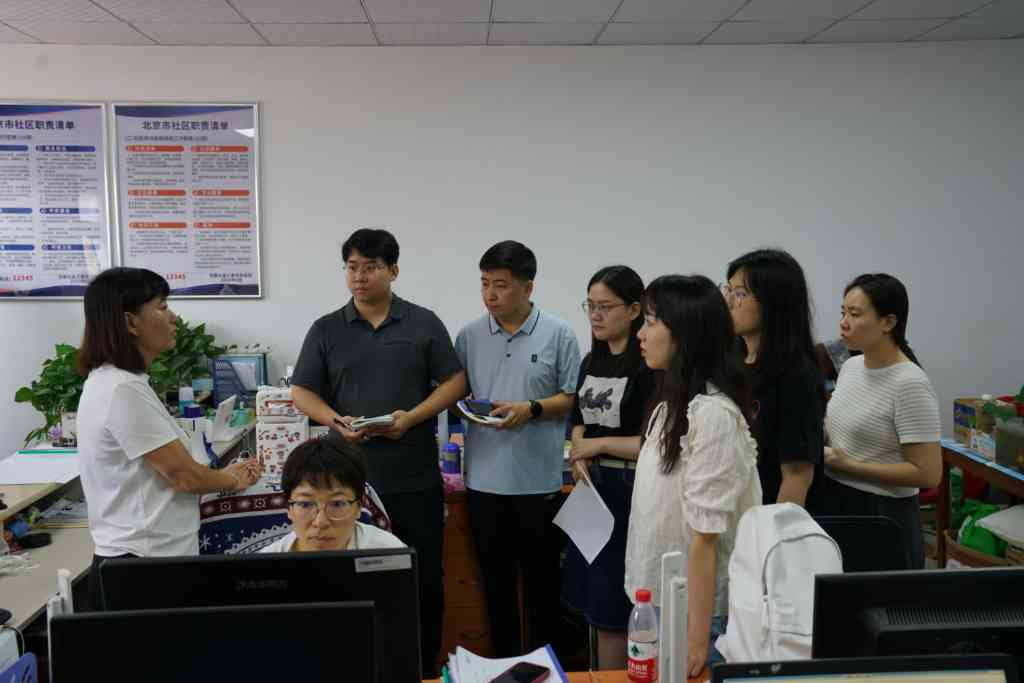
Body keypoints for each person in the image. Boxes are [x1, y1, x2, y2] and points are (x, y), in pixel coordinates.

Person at [290, 228, 464, 675]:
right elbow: (302, 391)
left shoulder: (423, 322)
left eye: (371, 267)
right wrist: (335, 421)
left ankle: (422, 669)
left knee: (421, 578)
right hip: (346, 485)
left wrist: (411, 417)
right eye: (352, 267)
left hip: (413, 477)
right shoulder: (327, 328)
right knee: (348, 579)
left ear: (393, 271)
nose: (359, 276)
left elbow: (456, 382)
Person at [76, 267, 261, 610]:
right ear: (130, 322)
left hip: (147, 558)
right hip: (142, 567)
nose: (173, 317)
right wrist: (231, 479)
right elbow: (184, 476)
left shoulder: (119, 382)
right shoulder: (122, 390)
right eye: (162, 307)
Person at [624, 274, 761, 677]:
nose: (640, 335)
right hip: (661, 597)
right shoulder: (671, 405)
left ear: (684, 334)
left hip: (697, 613)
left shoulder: (713, 415)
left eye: (651, 323)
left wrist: (697, 641)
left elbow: (705, 537)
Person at [454, 241, 581, 657]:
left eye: (501, 285)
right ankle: (504, 667)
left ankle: (547, 667)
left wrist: (532, 409)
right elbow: (457, 395)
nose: (490, 294)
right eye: (484, 284)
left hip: (538, 482)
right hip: (484, 483)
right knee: (496, 589)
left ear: (528, 288)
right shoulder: (469, 335)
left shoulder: (558, 333)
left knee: (543, 587)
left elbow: (571, 398)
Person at [562, 265, 654, 670]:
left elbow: (653, 443)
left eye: (605, 307)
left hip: (630, 490)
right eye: (590, 306)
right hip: (592, 491)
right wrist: (578, 449)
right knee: (592, 602)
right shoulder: (591, 361)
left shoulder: (649, 365)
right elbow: (578, 420)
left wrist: (595, 445)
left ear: (634, 310)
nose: (595, 316)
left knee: (616, 604)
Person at [823, 273, 940, 569]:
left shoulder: (909, 382)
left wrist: (850, 466)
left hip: (883, 513)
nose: (844, 322)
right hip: (838, 499)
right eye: (843, 312)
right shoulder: (850, 366)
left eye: (855, 314)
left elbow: (927, 474)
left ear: (888, 322)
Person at [723, 249, 826, 510]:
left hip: (763, 512)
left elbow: (797, 476)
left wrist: (770, 531)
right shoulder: (730, 360)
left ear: (773, 302)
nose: (729, 302)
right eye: (728, 290)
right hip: (727, 508)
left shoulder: (796, 374)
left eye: (740, 294)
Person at [260, 435, 404, 552]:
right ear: (288, 507)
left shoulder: (389, 552)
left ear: (359, 506)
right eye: (305, 504)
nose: (320, 522)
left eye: (337, 504)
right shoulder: (264, 567)